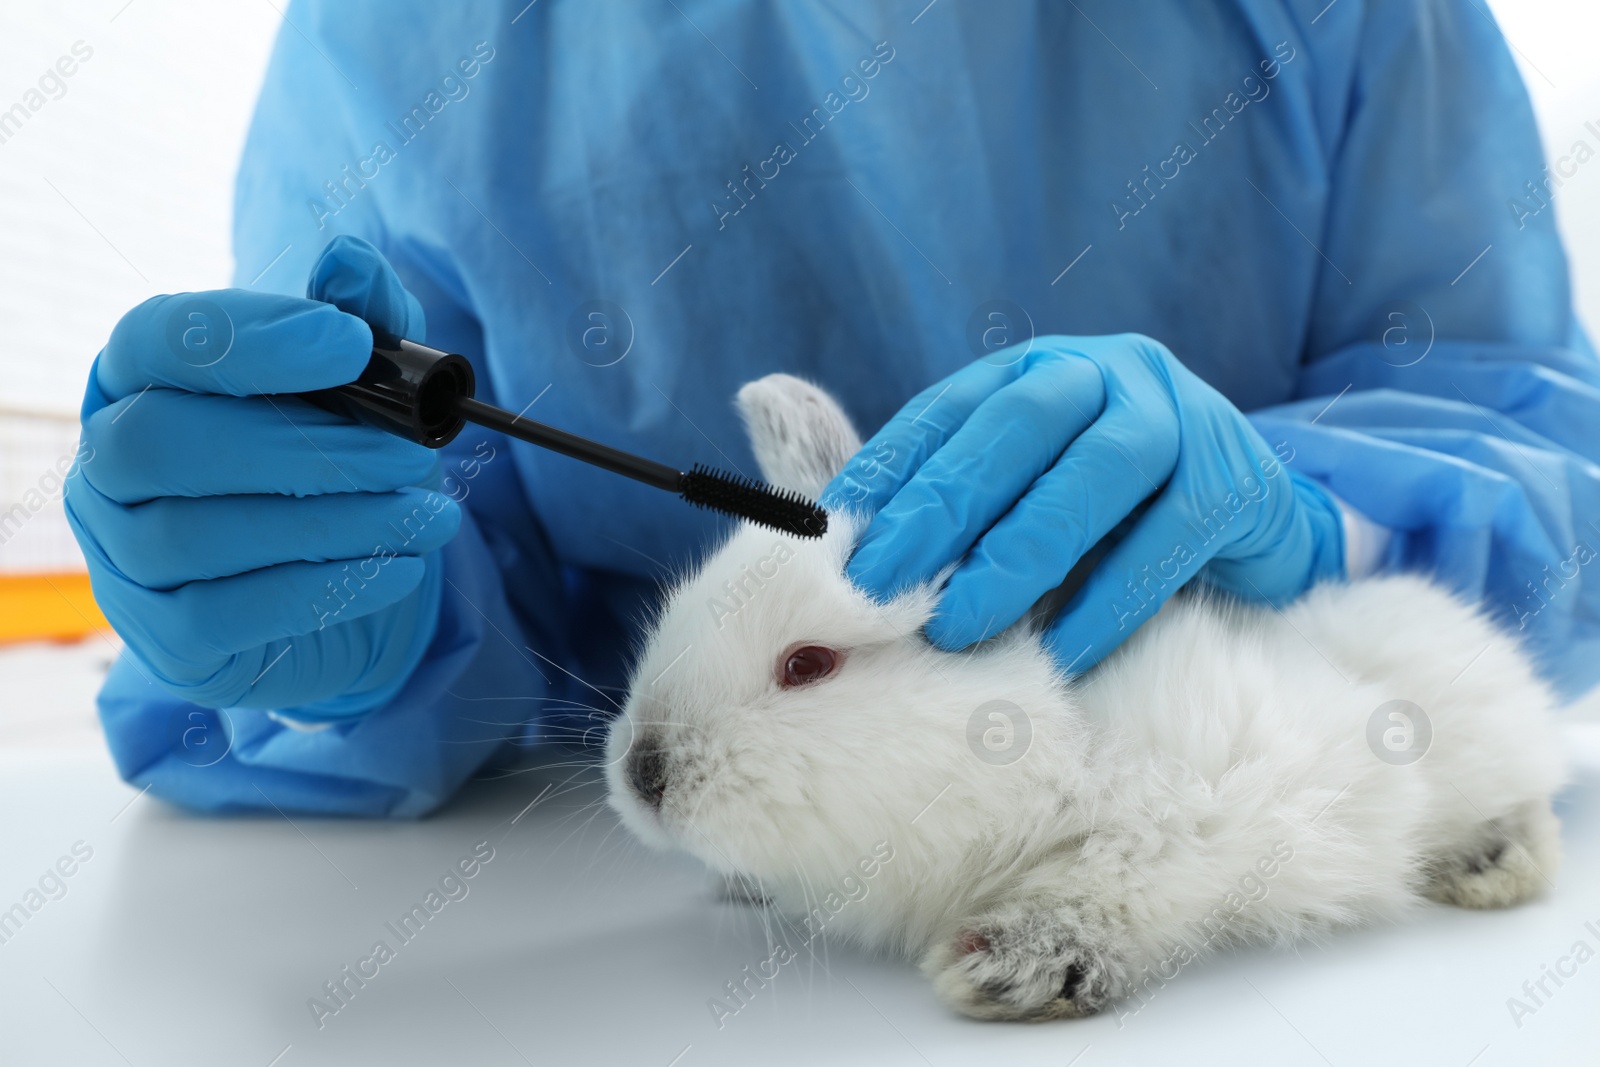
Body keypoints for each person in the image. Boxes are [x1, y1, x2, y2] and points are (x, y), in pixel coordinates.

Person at [65, 1, 1600, 817]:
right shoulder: (409, 39)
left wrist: (1313, 520)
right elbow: (412, 498)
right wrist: (321, 587)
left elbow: (1514, 411)